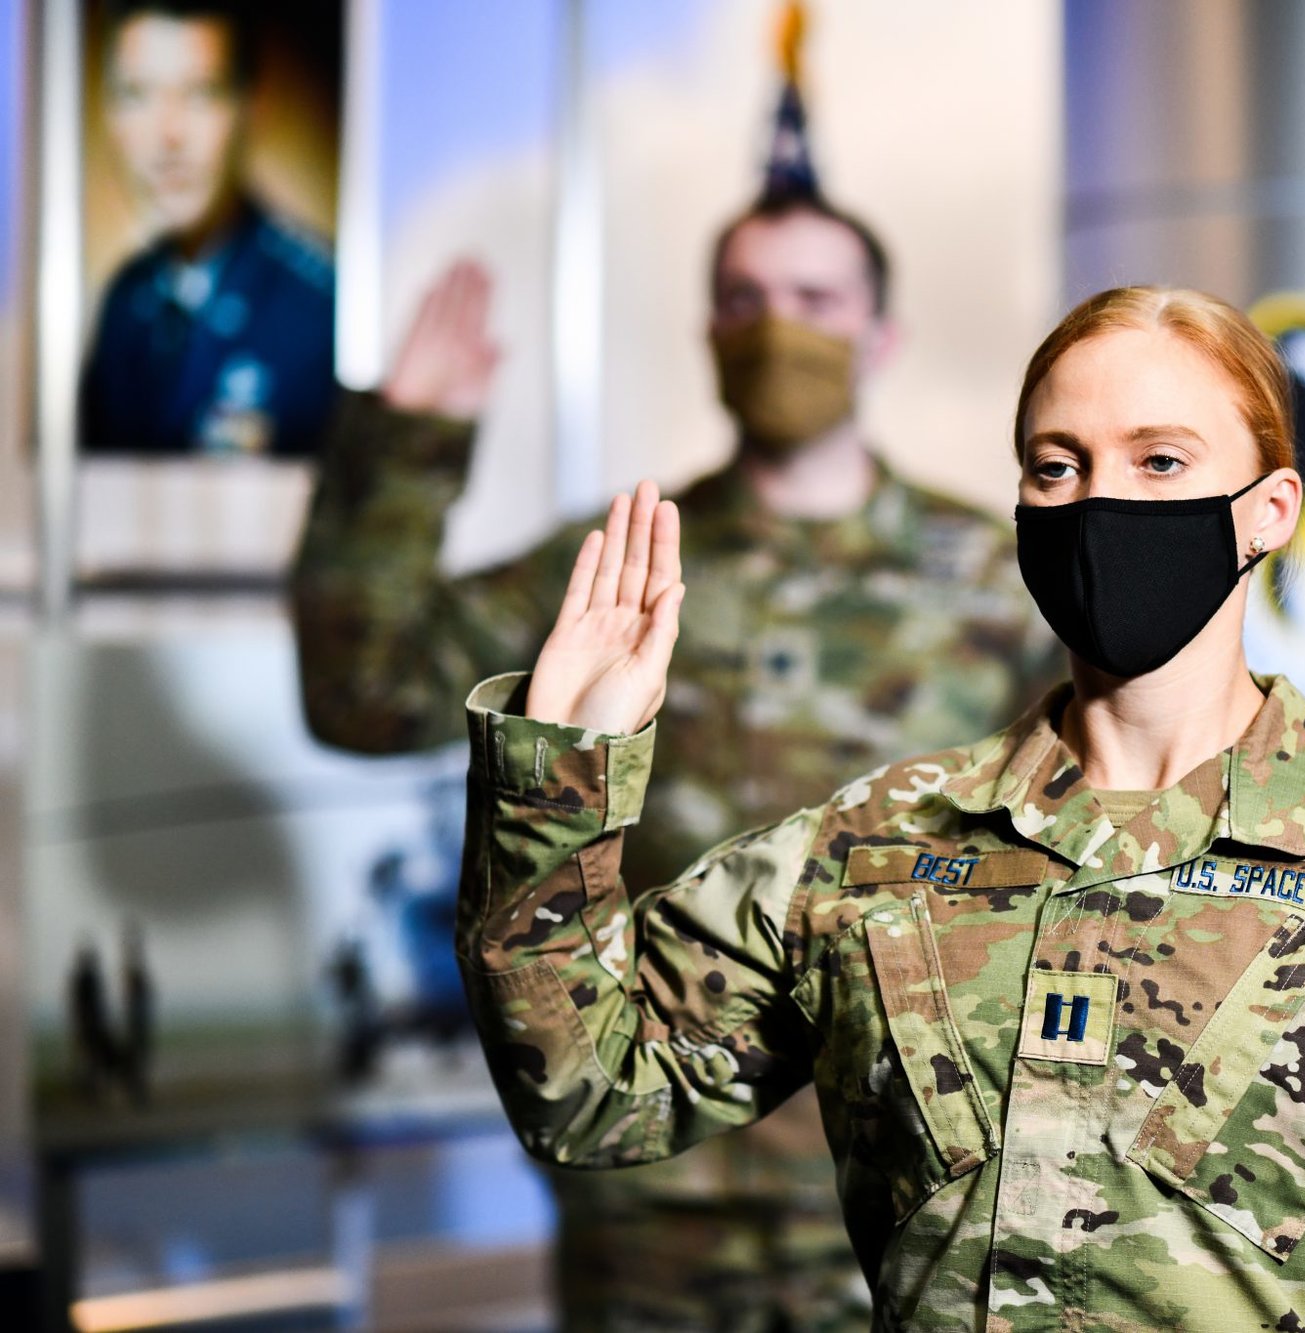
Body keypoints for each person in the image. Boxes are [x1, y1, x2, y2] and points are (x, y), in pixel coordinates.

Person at [457, 286, 1305, 1331]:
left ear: (1266, 509)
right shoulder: (878, 843)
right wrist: (561, 761)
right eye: (1056, 466)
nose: (1097, 500)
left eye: (1158, 462)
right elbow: (586, 1091)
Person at [291, 197, 1056, 1326]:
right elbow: (365, 695)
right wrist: (402, 446)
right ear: (708, 334)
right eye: (745, 300)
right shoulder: (623, 567)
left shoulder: (996, 582)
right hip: (645, 1183)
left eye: (814, 301)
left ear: (878, 337)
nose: (775, 330)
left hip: (897, 1183)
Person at [81, 1, 336, 456]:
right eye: (137, 94)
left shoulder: (320, 307)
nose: (168, 135)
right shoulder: (124, 301)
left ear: (252, 109)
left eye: (200, 93)